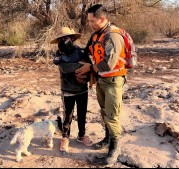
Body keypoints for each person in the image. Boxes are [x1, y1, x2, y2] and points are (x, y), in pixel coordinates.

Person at [75, 4, 127, 165]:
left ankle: (114, 149)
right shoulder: (96, 35)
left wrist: (89, 67)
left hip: (113, 80)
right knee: (104, 111)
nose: (89, 24)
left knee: (112, 115)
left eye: (92, 21)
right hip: (101, 80)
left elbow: (109, 64)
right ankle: (106, 139)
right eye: (88, 21)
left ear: (102, 19)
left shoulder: (112, 36)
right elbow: (87, 51)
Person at [50, 27, 93, 153]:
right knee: (67, 115)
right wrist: (80, 67)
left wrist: (84, 68)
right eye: (61, 39)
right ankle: (65, 137)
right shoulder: (59, 53)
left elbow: (89, 65)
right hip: (67, 89)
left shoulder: (81, 51)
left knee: (82, 113)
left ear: (72, 38)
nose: (64, 41)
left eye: (66, 38)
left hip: (82, 89)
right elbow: (64, 68)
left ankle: (81, 135)